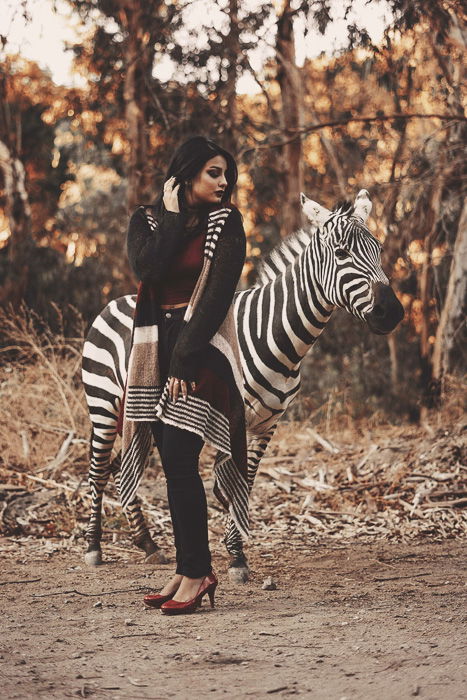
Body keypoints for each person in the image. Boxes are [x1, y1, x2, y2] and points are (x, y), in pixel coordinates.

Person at [121, 136, 248, 615]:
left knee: (179, 450)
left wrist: (184, 361)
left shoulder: (227, 222)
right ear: (188, 173)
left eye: (226, 174)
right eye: (214, 172)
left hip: (201, 348)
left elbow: (217, 296)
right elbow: (147, 267)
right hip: (155, 347)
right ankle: (189, 567)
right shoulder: (147, 220)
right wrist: (173, 219)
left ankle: (198, 572)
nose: (224, 182)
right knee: (174, 462)